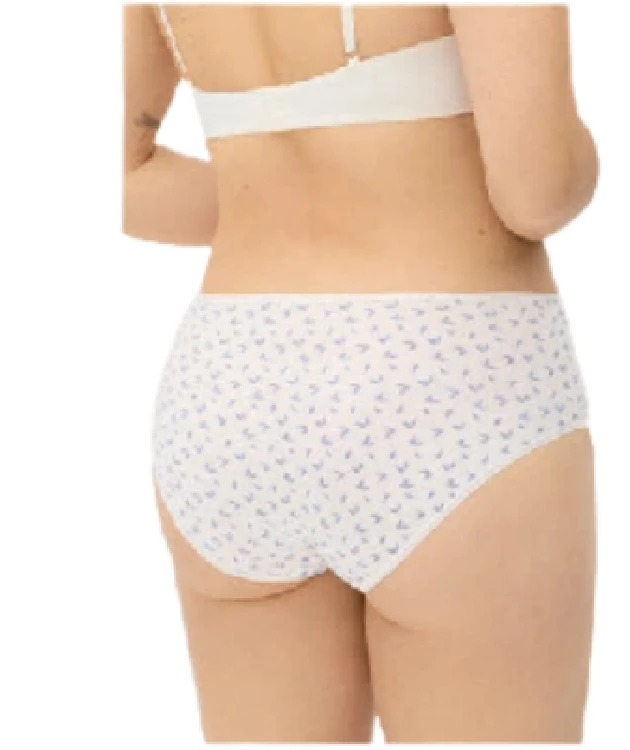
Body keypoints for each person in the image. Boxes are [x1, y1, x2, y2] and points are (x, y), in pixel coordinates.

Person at [123, 3, 599, 742]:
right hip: (446, 387)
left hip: (230, 393)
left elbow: (113, 177)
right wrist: (584, 160)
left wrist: (271, 196)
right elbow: (537, 190)